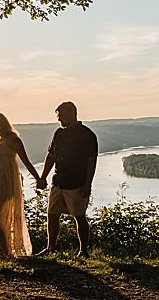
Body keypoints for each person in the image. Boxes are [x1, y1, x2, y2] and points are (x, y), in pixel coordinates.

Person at [0, 112, 41, 261]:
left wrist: (39, 179)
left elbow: (26, 161)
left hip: (6, 183)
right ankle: (4, 251)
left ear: (3, 124)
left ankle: (5, 252)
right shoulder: (0, 141)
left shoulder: (13, 140)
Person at [37, 101, 98, 257]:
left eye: (61, 116)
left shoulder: (86, 134)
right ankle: (51, 248)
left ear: (73, 113)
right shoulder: (59, 133)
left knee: (79, 216)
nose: (59, 119)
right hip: (58, 182)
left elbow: (91, 161)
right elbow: (51, 156)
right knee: (52, 215)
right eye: (58, 116)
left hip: (76, 183)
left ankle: (83, 250)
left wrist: (87, 184)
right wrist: (43, 177)